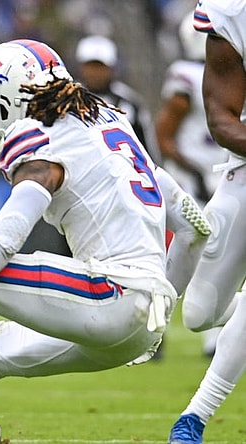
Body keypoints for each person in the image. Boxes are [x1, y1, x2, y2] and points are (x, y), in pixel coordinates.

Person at [0, 38, 211, 444]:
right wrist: (163, 305)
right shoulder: (112, 121)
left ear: (9, 95)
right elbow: (194, 225)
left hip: (111, 296)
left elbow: (6, 237)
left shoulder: (43, 136)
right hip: (137, 318)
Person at [167, 1, 246, 443]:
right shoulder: (232, 12)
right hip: (242, 173)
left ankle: (193, 418)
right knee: (199, 313)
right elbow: (221, 120)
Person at [155, 11, 230, 359]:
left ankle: (217, 331)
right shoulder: (185, 75)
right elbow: (165, 134)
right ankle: (157, 331)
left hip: (222, 173)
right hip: (193, 180)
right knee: (204, 254)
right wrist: (192, 172)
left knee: (222, 253)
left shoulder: (229, 73)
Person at [75, 35, 159, 161]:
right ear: (82, 67)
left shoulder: (129, 102)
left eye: (101, 67)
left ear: (112, 68)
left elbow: (147, 148)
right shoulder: (67, 100)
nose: (95, 72)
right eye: (91, 66)